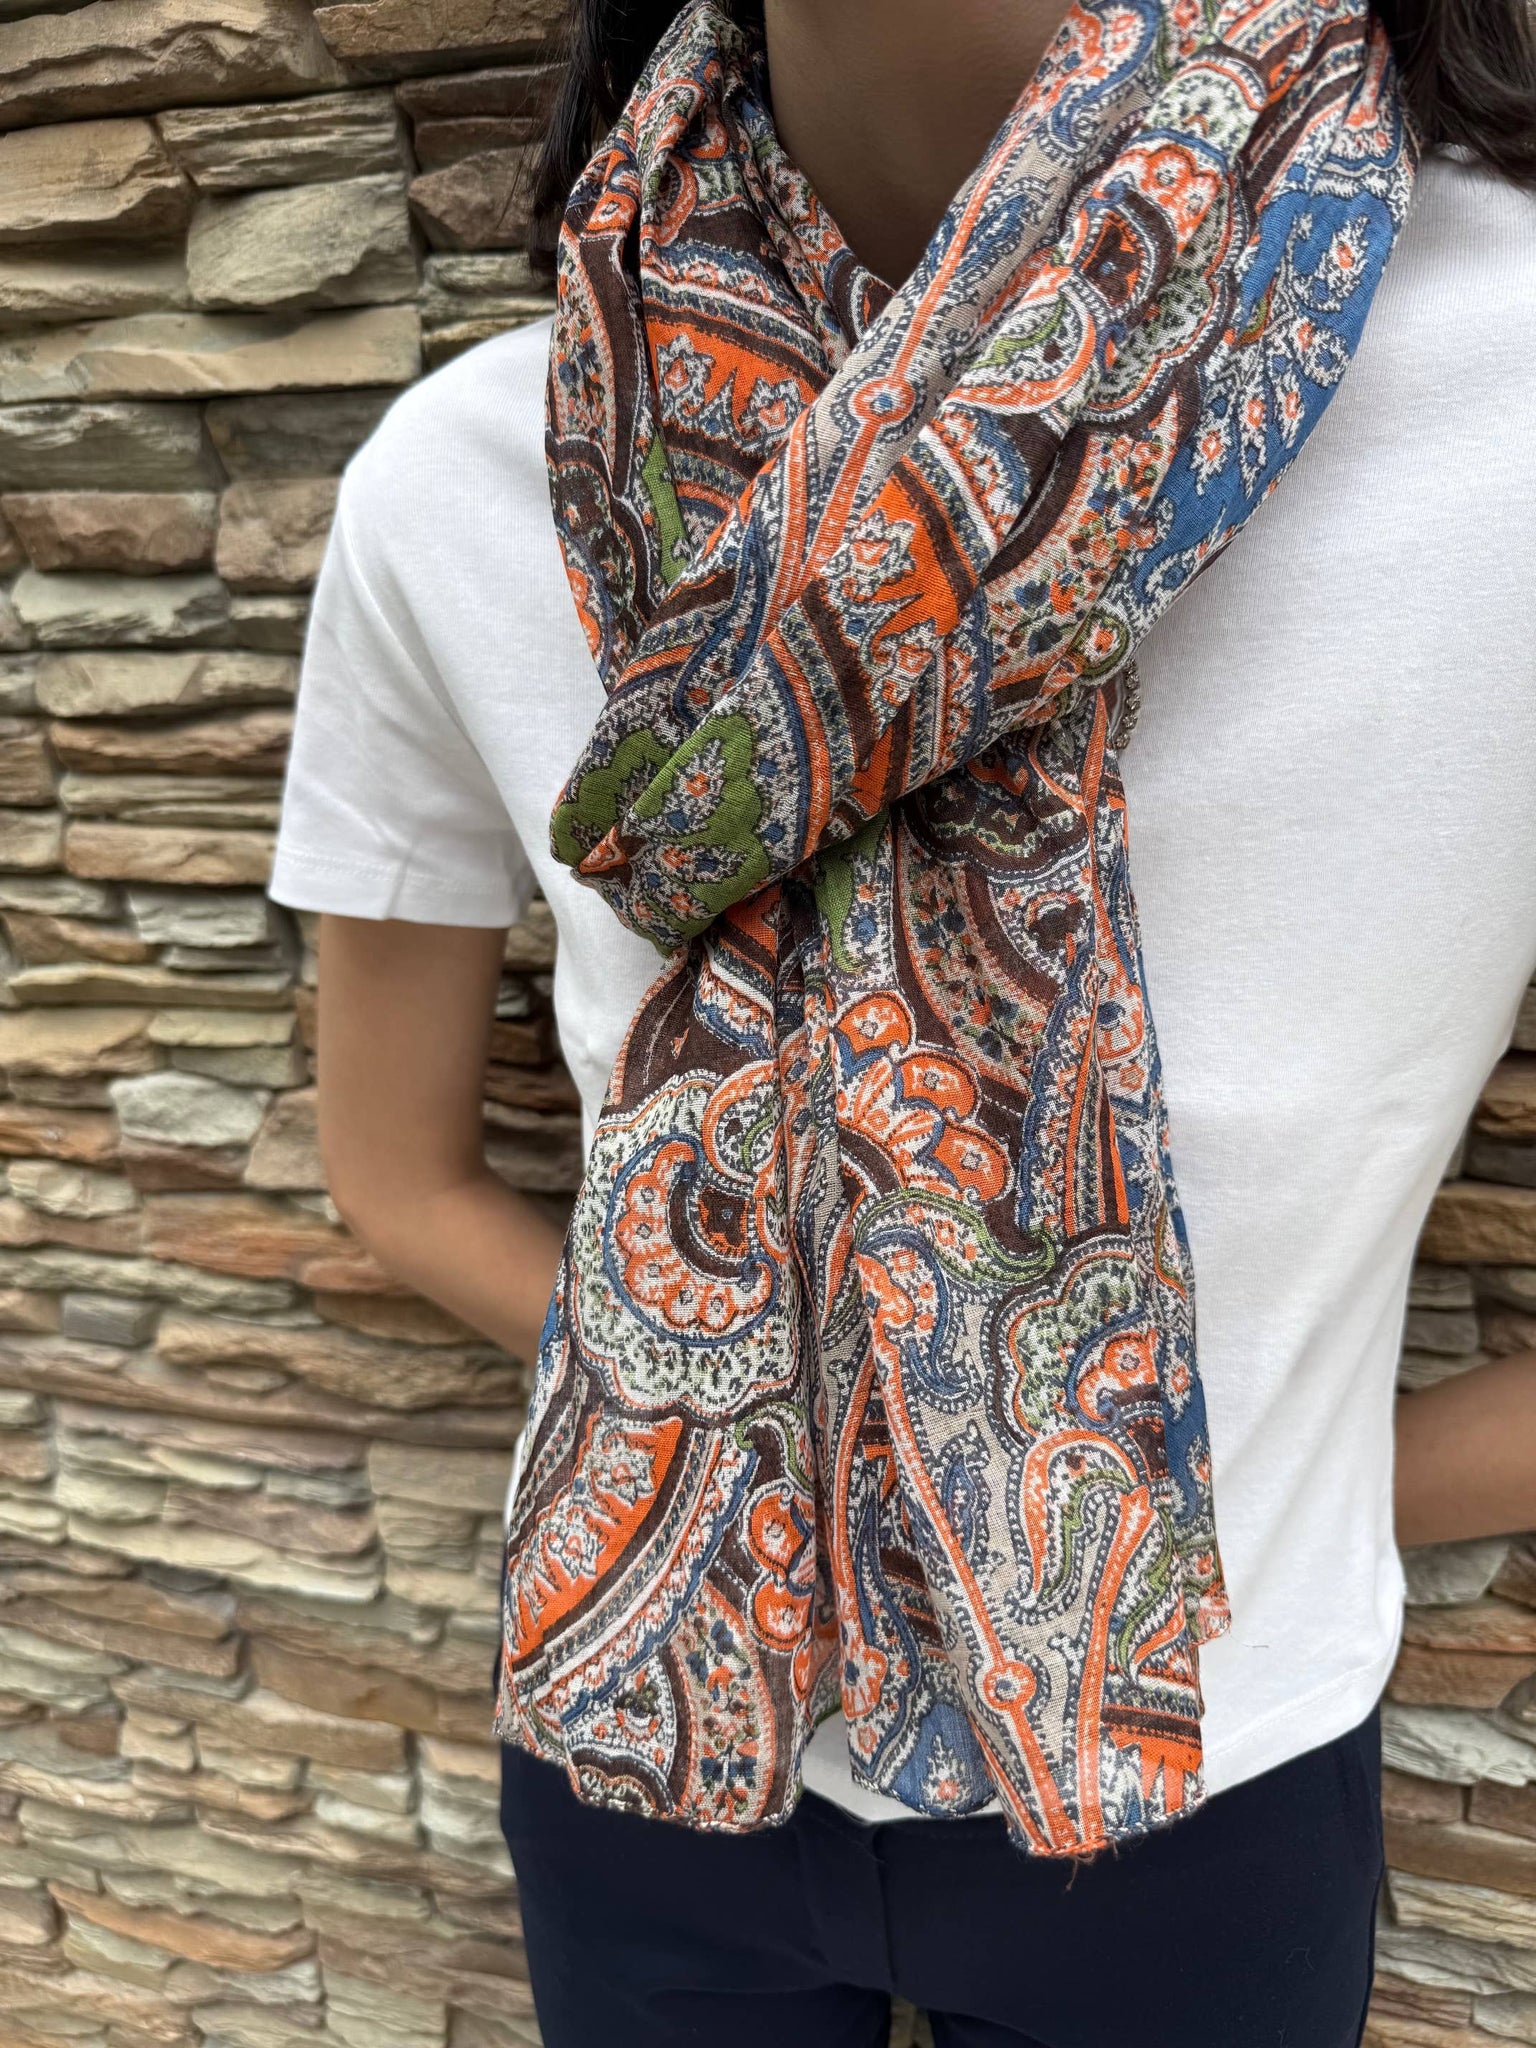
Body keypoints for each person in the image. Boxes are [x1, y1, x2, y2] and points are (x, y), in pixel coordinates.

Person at [267, 0, 1536, 2040]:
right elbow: (394, 1175)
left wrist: (1145, 1505)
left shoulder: (1505, 399)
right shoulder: (470, 472)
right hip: (641, 1735)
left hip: (1207, 1775)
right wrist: (778, 1429)